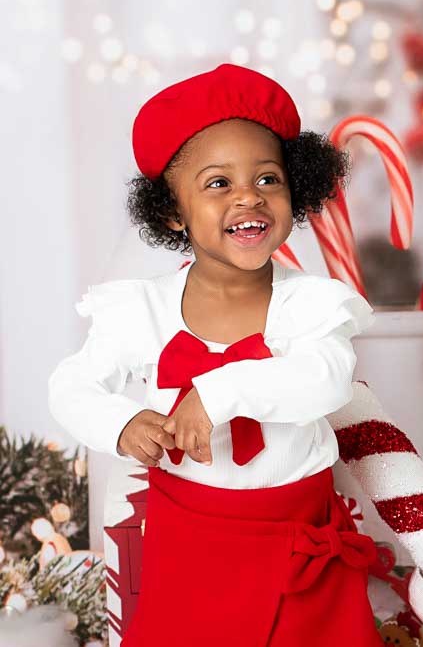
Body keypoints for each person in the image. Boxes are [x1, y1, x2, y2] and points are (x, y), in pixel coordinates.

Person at [48, 64, 383, 646]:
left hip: (299, 547)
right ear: (172, 212)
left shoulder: (309, 304)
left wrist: (217, 393)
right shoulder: (140, 310)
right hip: (190, 544)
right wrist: (121, 423)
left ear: (295, 190)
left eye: (268, 179)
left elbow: (328, 380)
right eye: (218, 183)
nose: (248, 196)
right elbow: (70, 384)